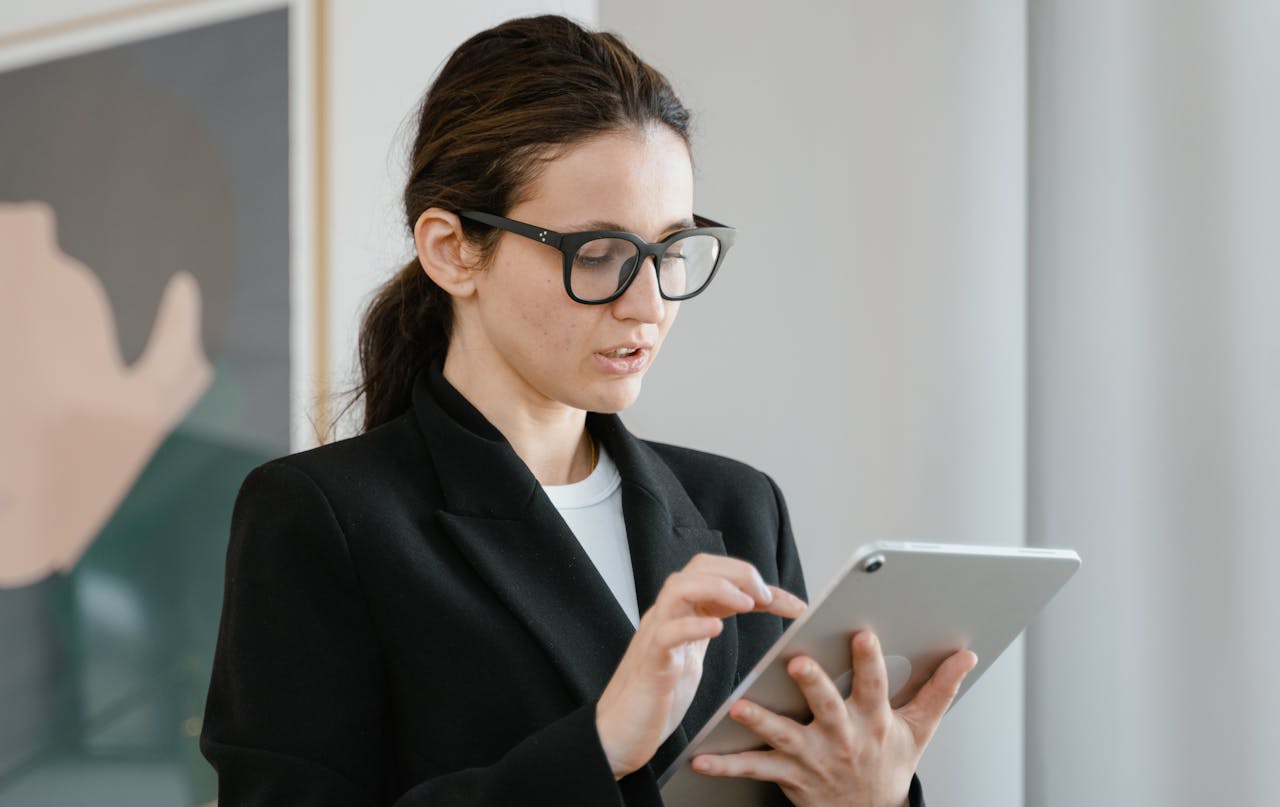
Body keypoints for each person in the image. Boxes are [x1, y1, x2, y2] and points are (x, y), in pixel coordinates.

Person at [200, 14, 976, 806]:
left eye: (670, 250)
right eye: (598, 255)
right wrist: (598, 743)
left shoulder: (740, 507)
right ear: (452, 250)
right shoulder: (322, 516)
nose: (647, 305)